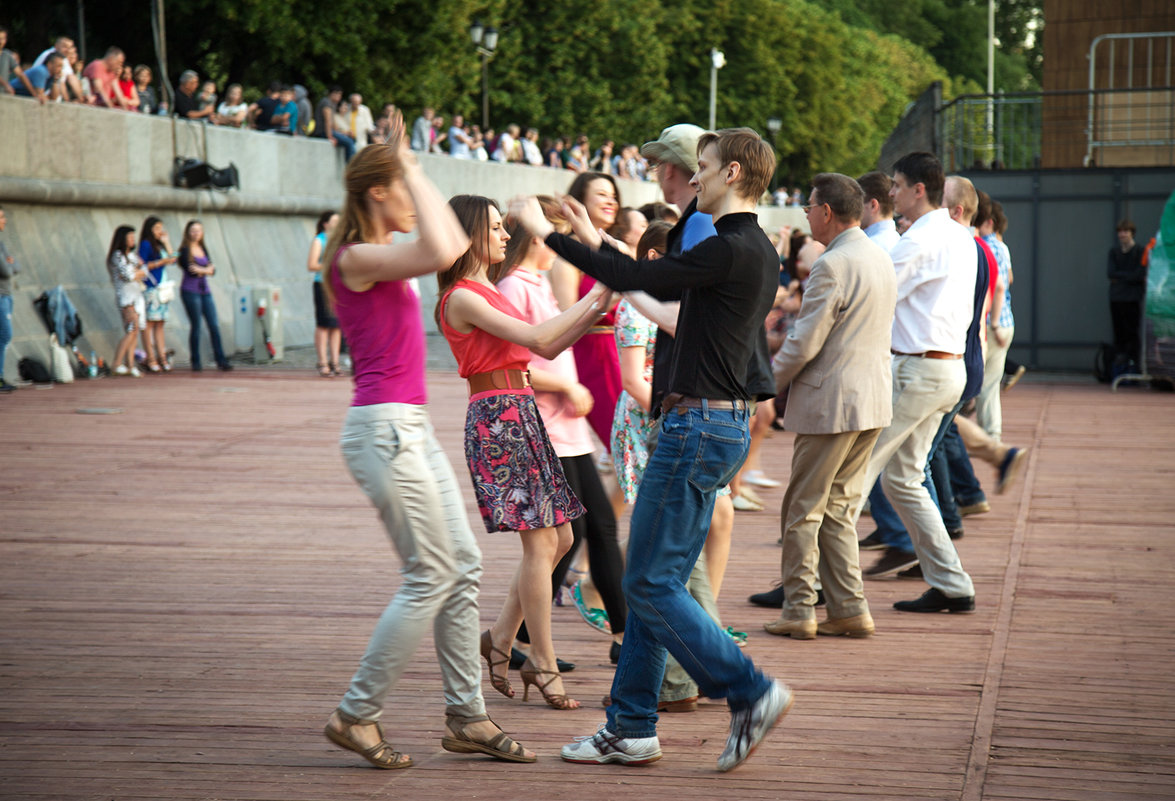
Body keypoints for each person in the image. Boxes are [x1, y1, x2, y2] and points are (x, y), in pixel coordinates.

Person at [511, 127, 792, 771]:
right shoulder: (751, 247)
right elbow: (651, 279)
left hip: (696, 430)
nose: (696, 178)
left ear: (735, 174)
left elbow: (638, 278)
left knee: (647, 581)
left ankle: (750, 690)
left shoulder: (726, 247)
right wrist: (588, 234)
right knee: (652, 579)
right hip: (714, 428)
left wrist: (547, 233)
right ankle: (631, 725)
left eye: (707, 168)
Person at [316, 112, 534, 770]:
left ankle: (466, 715)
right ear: (377, 193)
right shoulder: (354, 258)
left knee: (460, 564)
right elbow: (444, 247)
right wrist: (405, 160)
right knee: (431, 573)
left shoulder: (381, 254)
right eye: (405, 189)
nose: (416, 201)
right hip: (383, 430)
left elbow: (438, 239)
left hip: (403, 426)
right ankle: (356, 713)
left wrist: (410, 163)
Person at [436, 194, 614, 713]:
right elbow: (540, 336)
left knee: (559, 538)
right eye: (495, 227)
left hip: (519, 411)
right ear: (470, 235)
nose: (506, 236)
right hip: (499, 418)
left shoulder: (487, 288)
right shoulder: (463, 296)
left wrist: (601, 298)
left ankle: (498, 638)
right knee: (543, 546)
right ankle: (542, 661)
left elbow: (551, 346)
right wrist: (602, 287)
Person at [762, 173, 896, 640]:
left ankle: (800, 608)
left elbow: (803, 343)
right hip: (871, 400)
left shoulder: (832, 263)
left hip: (832, 402)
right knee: (839, 509)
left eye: (809, 206)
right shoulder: (878, 255)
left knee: (803, 509)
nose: (805, 214)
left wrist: (764, 386)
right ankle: (848, 608)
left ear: (826, 212)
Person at [495, 195, 628, 664]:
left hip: (563, 426)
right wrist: (567, 387)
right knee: (572, 534)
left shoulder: (536, 282)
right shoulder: (515, 286)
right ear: (536, 235)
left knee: (585, 530)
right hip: (546, 425)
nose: (563, 246)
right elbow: (513, 364)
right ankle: (611, 636)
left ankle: (522, 639)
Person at [856, 153, 978, 613]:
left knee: (856, 471)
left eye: (897, 185)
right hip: (943, 369)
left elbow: (873, 294)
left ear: (918, 190)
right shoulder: (957, 233)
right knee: (903, 479)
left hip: (919, 369)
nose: (891, 193)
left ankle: (826, 586)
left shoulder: (921, 239)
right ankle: (951, 584)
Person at [548, 172, 623, 452]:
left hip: (626, 352)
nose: (611, 201)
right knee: (624, 448)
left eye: (613, 196)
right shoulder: (568, 255)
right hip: (594, 355)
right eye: (602, 194)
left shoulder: (617, 247)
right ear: (580, 201)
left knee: (638, 451)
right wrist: (615, 296)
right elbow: (568, 317)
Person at [177, 220, 232, 372]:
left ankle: (221, 359)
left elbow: (213, 269)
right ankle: (195, 360)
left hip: (204, 291)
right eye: (193, 230)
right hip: (190, 290)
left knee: (214, 324)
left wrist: (206, 270)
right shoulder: (185, 249)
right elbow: (191, 270)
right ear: (188, 232)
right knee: (196, 325)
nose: (196, 233)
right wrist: (207, 270)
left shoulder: (203, 248)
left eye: (199, 230)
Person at [137, 216, 179, 372]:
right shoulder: (146, 244)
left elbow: (174, 259)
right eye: (156, 228)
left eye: (161, 228)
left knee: (160, 323)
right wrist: (162, 262)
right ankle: (151, 358)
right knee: (149, 324)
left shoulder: (159, 245)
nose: (159, 231)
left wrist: (167, 242)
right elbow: (142, 265)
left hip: (162, 288)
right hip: (150, 288)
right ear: (149, 229)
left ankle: (162, 357)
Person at [106, 225, 146, 377]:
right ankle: (116, 363)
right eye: (129, 237)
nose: (132, 240)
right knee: (131, 329)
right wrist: (138, 272)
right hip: (126, 298)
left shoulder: (132, 256)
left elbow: (144, 272)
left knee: (135, 331)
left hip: (136, 295)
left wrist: (138, 272)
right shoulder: (117, 256)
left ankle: (130, 365)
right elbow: (128, 275)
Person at [307, 210, 342, 376]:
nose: (337, 224)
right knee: (324, 324)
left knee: (336, 325)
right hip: (322, 284)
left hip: (337, 285)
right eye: (334, 221)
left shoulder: (339, 241)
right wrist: (329, 265)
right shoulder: (319, 239)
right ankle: (322, 362)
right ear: (325, 224)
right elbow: (312, 264)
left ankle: (335, 362)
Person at [1108, 219, 1147, 370]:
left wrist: (1121, 278)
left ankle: (1134, 365)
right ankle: (1118, 366)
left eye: (1125, 231)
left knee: (1132, 332)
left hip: (1132, 299)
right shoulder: (1114, 252)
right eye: (1120, 231)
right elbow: (1110, 273)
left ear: (1132, 233)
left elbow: (1140, 274)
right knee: (1119, 333)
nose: (1122, 234)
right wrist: (1131, 277)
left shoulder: (1140, 251)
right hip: (1116, 298)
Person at [0, 206, 20, 392]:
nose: (4, 220)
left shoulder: (2, 244)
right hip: (1, 296)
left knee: (3, 337)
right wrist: (9, 264)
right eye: (1, 217)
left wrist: (10, 263)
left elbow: (16, 265)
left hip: (6, 295)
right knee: (4, 335)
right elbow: (7, 269)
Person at [313, 86, 355, 161]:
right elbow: (327, 120)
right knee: (349, 142)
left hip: (329, 131)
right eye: (337, 94)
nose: (339, 97)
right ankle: (351, 166)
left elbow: (334, 125)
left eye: (340, 94)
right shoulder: (326, 102)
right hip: (322, 132)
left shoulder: (333, 104)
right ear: (331, 94)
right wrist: (330, 136)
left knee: (351, 140)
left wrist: (344, 133)